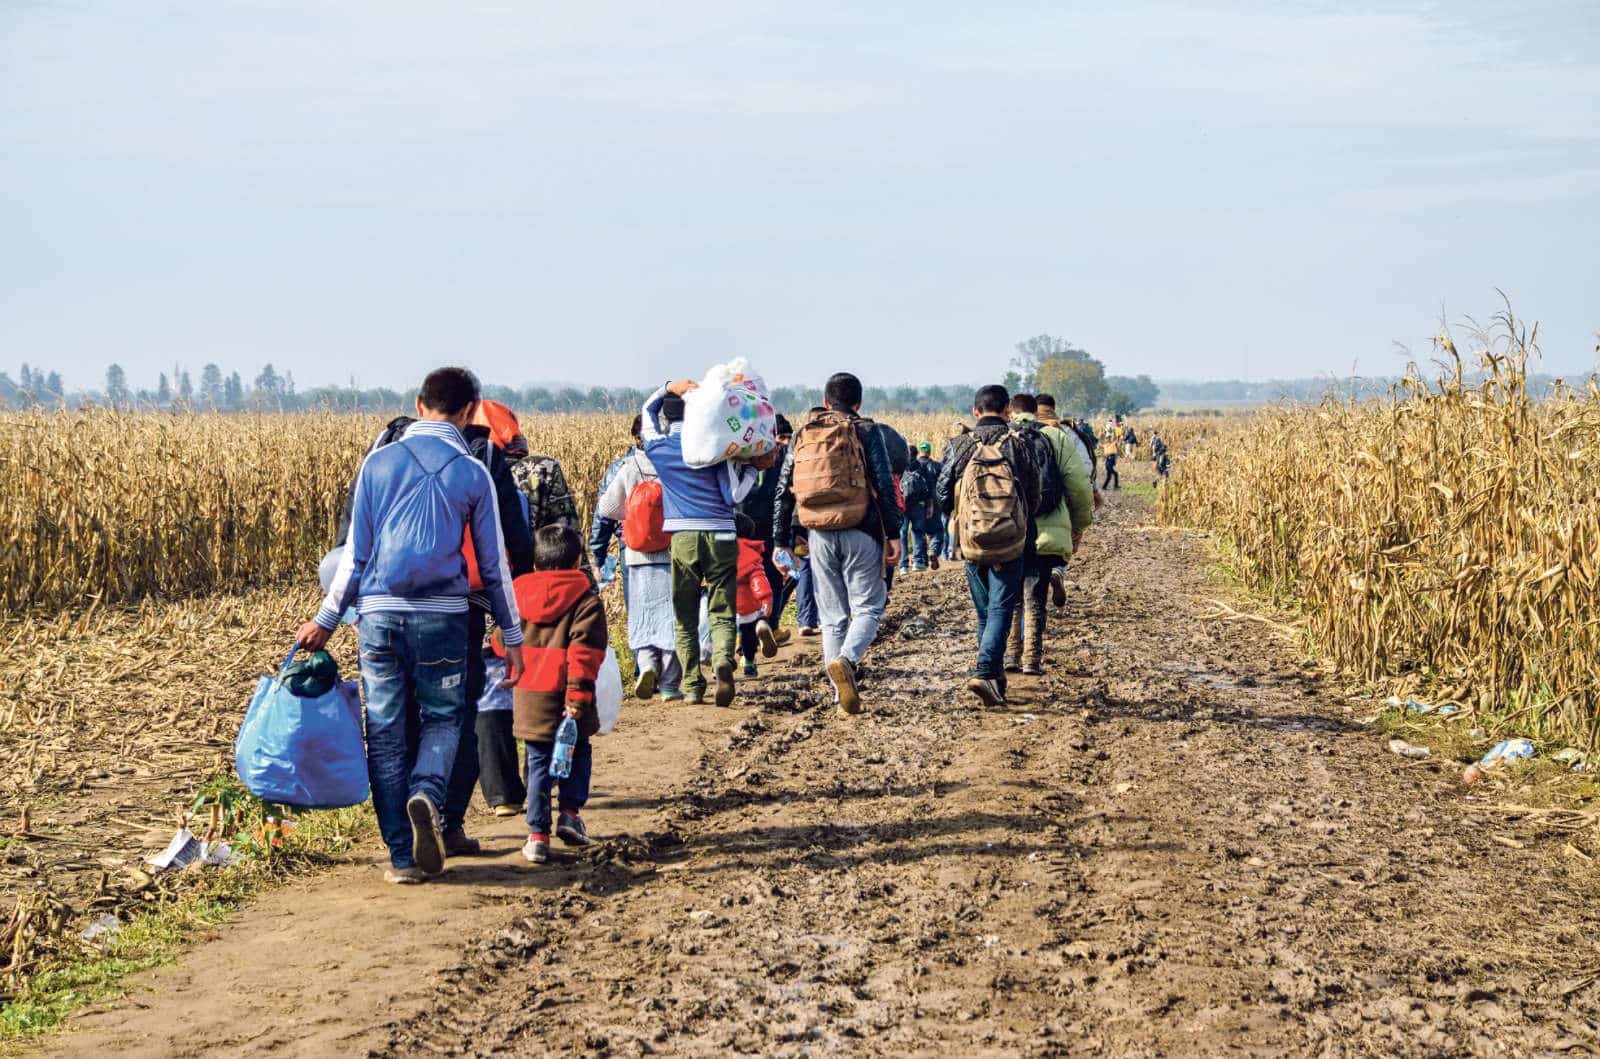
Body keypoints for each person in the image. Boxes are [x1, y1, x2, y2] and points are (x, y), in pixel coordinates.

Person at [300, 368, 525, 885]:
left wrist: (325, 621)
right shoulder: (473, 472)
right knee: (445, 720)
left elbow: (354, 555)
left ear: (420, 405)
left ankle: (401, 858)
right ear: (471, 412)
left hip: (378, 618)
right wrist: (512, 638)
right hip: (444, 619)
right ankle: (427, 792)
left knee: (383, 734)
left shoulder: (377, 464)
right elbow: (494, 568)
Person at [773, 372, 902, 716]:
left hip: (818, 534)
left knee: (832, 618)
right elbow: (886, 488)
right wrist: (893, 534)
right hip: (861, 528)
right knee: (869, 607)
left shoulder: (804, 433)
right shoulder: (867, 430)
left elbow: (784, 490)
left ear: (826, 402)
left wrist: (781, 540)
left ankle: (837, 694)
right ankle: (847, 660)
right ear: (858, 403)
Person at [641, 380, 764, 707]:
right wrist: (751, 471)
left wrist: (667, 386)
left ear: (668, 418)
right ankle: (723, 659)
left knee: (683, 613)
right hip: (722, 533)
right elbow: (733, 495)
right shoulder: (715, 445)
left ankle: (693, 685)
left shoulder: (660, 447)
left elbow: (646, 413)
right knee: (722, 607)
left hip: (683, 535)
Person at [509, 525, 609, 865]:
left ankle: (537, 835)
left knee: (537, 763)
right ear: (579, 560)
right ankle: (569, 814)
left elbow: (501, 640)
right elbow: (585, 652)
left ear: (535, 563)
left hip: (530, 697)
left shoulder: (518, 595)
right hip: (570, 699)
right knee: (576, 753)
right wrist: (579, 695)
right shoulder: (586, 600)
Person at [936, 384, 1041, 707]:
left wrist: (961, 517)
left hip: (971, 541)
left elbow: (941, 492)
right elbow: (1035, 493)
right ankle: (986, 672)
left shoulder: (960, 445)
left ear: (975, 411)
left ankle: (994, 679)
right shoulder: (1019, 445)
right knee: (1001, 609)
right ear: (1007, 410)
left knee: (985, 612)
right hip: (1010, 540)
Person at [594, 417, 682, 702]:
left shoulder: (626, 467)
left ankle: (645, 667)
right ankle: (669, 684)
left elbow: (605, 509)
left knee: (642, 615)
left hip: (635, 553)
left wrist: (630, 517)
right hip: (670, 551)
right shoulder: (673, 466)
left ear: (636, 439)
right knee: (671, 616)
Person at [1005, 394, 1094, 674]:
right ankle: (1032, 659)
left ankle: (1010, 655)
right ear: (1036, 412)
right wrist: (1078, 527)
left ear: (1011, 412)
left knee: (1013, 596)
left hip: (1010, 529)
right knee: (1036, 596)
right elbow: (1079, 486)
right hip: (1047, 530)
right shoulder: (1057, 438)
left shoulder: (1003, 437)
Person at [738, 415, 796, 646]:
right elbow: (785, 494)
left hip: (742, 527)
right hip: (771, 527)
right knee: (775, 576)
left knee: (745, 580)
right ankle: (769, 625)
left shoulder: (742, 453)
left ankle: (745, 640)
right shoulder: (781, 455)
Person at [588, 416, 643, 588]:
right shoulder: (671, 463)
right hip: (668, 545)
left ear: (635, 438)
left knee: (635, 605)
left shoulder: (619, 468)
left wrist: (598, 558)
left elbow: (603, 515)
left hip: (631, 544)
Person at [734, 514, 777, 677]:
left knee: (724, 633)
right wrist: (766, 597)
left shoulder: (720, 551)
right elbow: (758, 577)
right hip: (749, 604)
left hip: (726, 602)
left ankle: (721, 662)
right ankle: (749, 663)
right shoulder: (752, 552)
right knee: (748, 634)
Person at [901, 440, 942, 571]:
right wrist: (930, 505)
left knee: (902, 533)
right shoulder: (922, 466)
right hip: (918, 504)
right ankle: (918, 562)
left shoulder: (899, 465)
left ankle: (903, 566)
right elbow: (929, 487)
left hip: (902, 504)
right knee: (918, 532)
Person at [1100, 426, 1121, 491]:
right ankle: (1115, 486)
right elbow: (1117, 439)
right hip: (1109, 463)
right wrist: (1116, 433)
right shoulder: (1112, 444)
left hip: (1108, 463)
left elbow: (1100, 442)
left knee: (1109, 477)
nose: (1110, 439)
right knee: (1115, 474)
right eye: (1109, 439)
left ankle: (1104, 487)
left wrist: (1103, 433)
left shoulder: (1105, 446)